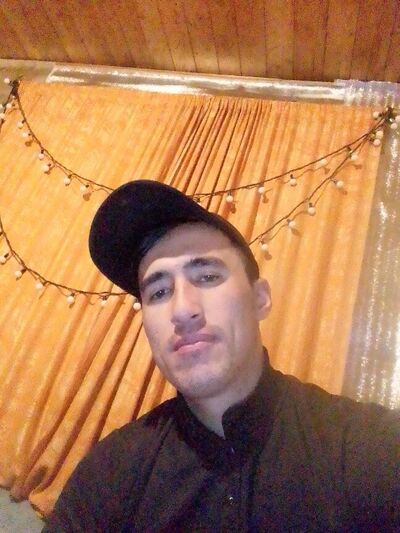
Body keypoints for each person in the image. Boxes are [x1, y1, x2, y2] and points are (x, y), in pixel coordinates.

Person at [43, 180, 399, 532]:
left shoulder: (366, 448)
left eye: (207, 276)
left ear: (259, 299)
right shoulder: (111, 472)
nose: (182, 310)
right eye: (159, 292)